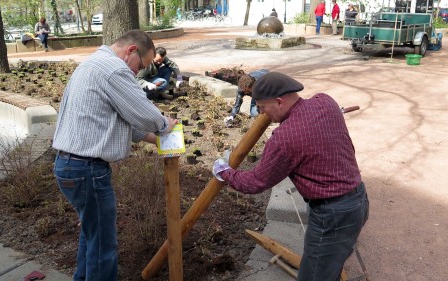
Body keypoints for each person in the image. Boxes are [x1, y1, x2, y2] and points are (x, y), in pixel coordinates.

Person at [213, 72, 369, 281]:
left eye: (262, 107)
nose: (261, 113)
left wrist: (225, 172)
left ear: (279, 101)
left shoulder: (284, 139)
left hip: (333, 216)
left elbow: (256, 182)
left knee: (313, 276)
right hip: (358, 199)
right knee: (331, 261)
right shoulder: (326, 102)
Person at [52, 30, 178, 281]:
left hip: (69, 166)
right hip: (88, 170)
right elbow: (146, 114)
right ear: (131, 51)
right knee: (103, 247)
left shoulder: (93, 64)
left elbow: (123, 122)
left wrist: (157, 140)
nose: (138, 73)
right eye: (140, 66)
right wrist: (166, 126)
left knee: (92, 236)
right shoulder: (114, 69)